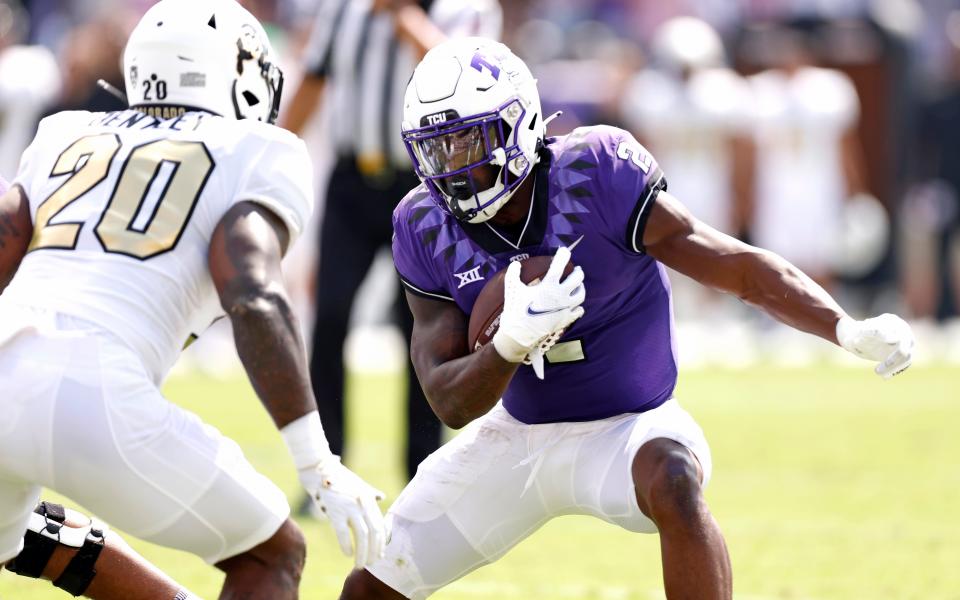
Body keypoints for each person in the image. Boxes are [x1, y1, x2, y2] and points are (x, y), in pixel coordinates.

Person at [339, 38, 916, 599]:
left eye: (467, 143)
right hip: (514, 438)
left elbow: (735, 267)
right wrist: (509, 343)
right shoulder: (421, 222)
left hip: (627, 429)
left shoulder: (597, 171)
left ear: (516, 124)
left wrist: (843, 327)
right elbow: (448, 401)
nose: (453, 169)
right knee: (373, 582)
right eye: (437, 150)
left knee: (674, 478)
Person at [0, 1, 385, 598]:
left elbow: (8, 232)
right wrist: (317, 462)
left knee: (24, 537)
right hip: (95, 377)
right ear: (239, 74)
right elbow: (253, 293)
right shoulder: (257, 148)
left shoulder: (64, 132)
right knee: (272, 554)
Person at [280, 0, 502, 485]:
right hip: (352, 178)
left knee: (427, 329)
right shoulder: (344, 8)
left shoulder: (464, 8)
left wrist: (403, 17)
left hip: (426, 185)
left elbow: (462, 78)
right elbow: (315, 80)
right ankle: (326, 470)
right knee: (331, 315)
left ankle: (422, 473)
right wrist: (270, 153)